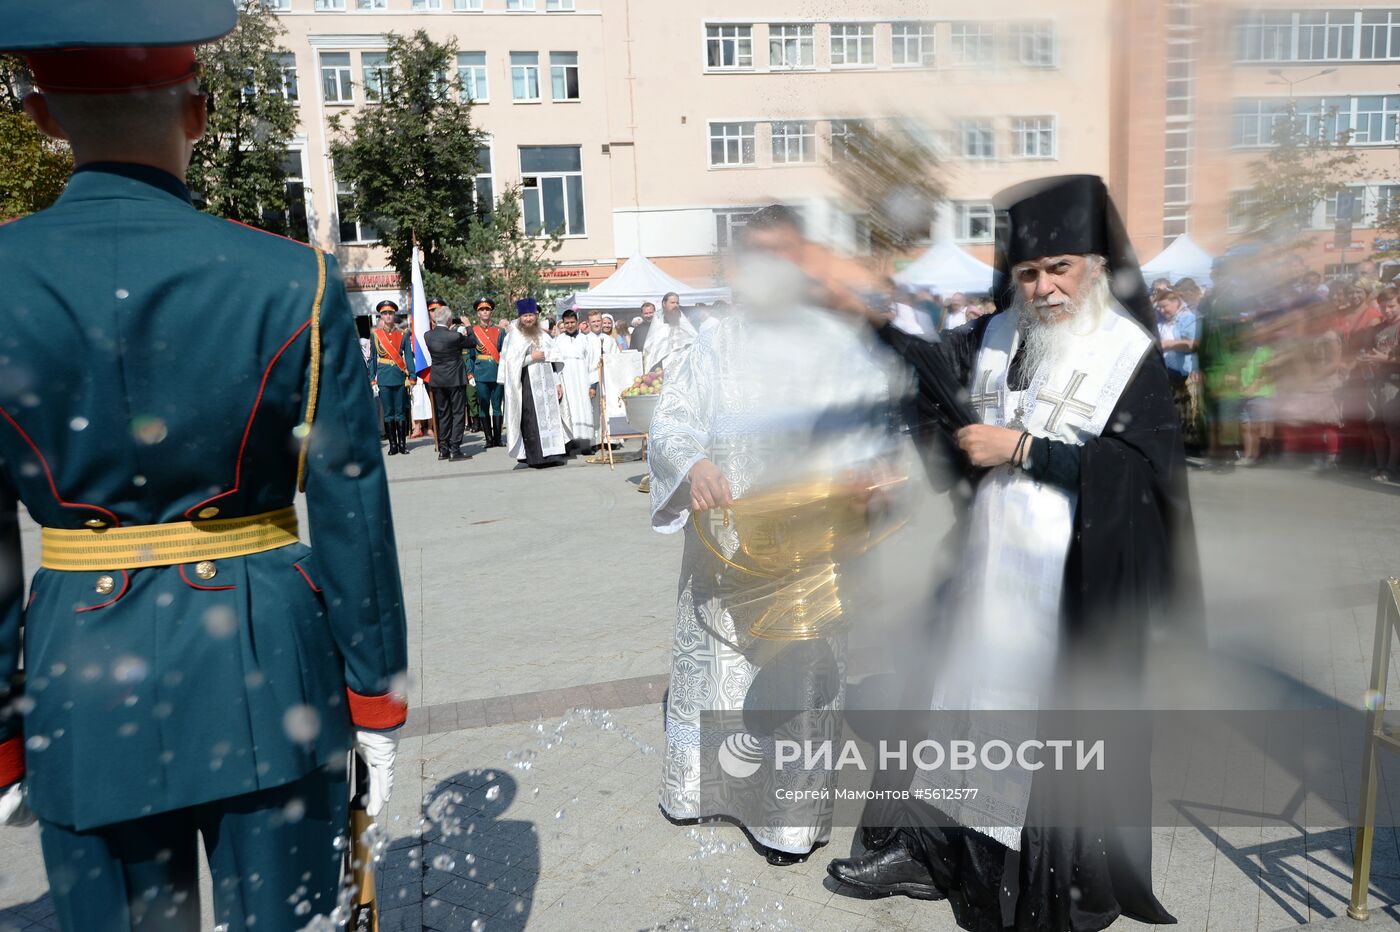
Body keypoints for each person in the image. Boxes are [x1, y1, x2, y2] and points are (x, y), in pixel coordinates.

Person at [0, 3, 409, 928]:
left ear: (41, 114)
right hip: (265, 661)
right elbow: (350, 504)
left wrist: (1, 735)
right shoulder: (291, 279)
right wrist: (376, 697)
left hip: (77, 670)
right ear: (200, 109)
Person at [827, 175, 1197, 930]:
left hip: (1073, 586)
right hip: (988, 567)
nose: (1045, 286)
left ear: (1095, 264)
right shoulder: (996, 336)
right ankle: (927, 855)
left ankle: (1039, 884)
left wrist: (1025, 447)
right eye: (1028, 273)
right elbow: (928, 379)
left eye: (1059, 267)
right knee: (948, 704)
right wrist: (866, 317)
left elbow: (1140, 479)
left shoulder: (1128, 354)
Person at [648, 203, 904, 866]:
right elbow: (672, 424)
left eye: (783, 254)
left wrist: (871, 477)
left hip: (809, 556)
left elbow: (875, 434)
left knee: (799, 683)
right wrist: (694, 463)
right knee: (720, 678)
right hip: (723, 553)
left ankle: (787, 825)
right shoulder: (713, 339)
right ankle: (707, 794)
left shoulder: (839, 344)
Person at [501, 298, 570, 468]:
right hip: (526, 382)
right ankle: (536, 457)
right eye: (525, 316)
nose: (529, 319)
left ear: (536, 316)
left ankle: (553, 454)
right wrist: (532, 357)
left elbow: (554, 360)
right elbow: (511, 364)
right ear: (520, 317)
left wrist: (557, 383)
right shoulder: (514, 336)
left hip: (546, 380)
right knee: (531, 418)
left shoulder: (542, 335)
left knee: (550, 416)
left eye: (531, 315)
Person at [424, 304, 477, 461]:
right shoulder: (454, 336)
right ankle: (455, 449)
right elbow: (473, 342)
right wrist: (467, 325)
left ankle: (443, 449)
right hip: (455, 379)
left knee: (444, 414)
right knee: (458, 413)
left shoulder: (428, 336)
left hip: (438, 380)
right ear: (448, 320)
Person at [1156, 289, 1202, 452]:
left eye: (1165, 306)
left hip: (1186, 371)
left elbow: (1193, 344)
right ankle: (1182, 443)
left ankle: (1194, 444)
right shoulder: (1160, 322)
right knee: (1177, 408)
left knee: (1191, 408)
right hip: (1168, 371)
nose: (1162, 311)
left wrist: (1169, 345)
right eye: (1159, 307)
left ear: (1176, 302)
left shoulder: (1187, 318)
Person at [552, 309, 598, 456]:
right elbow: (554, 364)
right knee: (567, 410)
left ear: (577, 323)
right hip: (566, 379)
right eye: (567, 323)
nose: (570, 325)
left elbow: (593, 363)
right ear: (563, 324)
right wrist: (557, 382)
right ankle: (567, 443)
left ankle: (586, 443)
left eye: (572, 322)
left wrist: (593, 385)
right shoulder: (558, 341)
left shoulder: (586, 340)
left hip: (582, 379)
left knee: (584, 409)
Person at [373, 300, 416, 455]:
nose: (388, 316)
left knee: (400, 412)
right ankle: (392, 445)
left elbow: (409, 357)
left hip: (399, 377)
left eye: (390, 313)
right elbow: (372, 358)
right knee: (388, 412)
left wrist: (412, 375)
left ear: (394, 314)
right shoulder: (376, 336)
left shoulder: (402, 335)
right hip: (384, 378)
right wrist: (372, 379)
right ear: (381, 316)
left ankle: (402, 444)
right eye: (385, 313)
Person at [469, 298, 506, 448]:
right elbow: (470, 355)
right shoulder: (474, 331)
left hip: (497, 372)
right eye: (482, 310)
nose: (485, 312)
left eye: (487, 309)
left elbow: (504, 353)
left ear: (491, 312)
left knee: (497, 406)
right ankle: (488, 439)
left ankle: (498, 439)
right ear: (478, 313)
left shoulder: (500, 331)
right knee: (483, 406)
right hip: (481, 373)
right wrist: (470, 374)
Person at [642, 291, 698, 373]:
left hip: (682, 364)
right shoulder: (658, 318)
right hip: (660, 365)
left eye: (677, 303)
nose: (675, 305)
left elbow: (692, 336)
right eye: (672, 303)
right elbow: (652, 344)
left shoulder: (680, 317)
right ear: (664, 304)